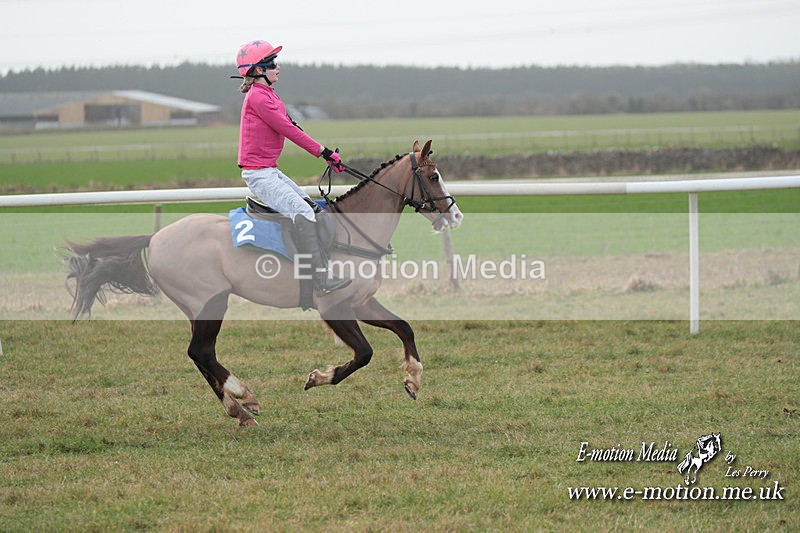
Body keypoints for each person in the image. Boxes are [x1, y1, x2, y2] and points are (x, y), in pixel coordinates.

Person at [234, 39, 351, 294]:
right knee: (304, 213)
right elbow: (287, 130)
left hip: (271, 171)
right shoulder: (258, 98)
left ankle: (326, 264)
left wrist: (328, 155)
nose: (278, 68)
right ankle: (320, 279)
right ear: (258, 70)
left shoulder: (269, 95)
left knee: (314, 210)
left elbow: (292, 126)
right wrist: (324, 152)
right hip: (259, 175)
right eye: (272, 64)